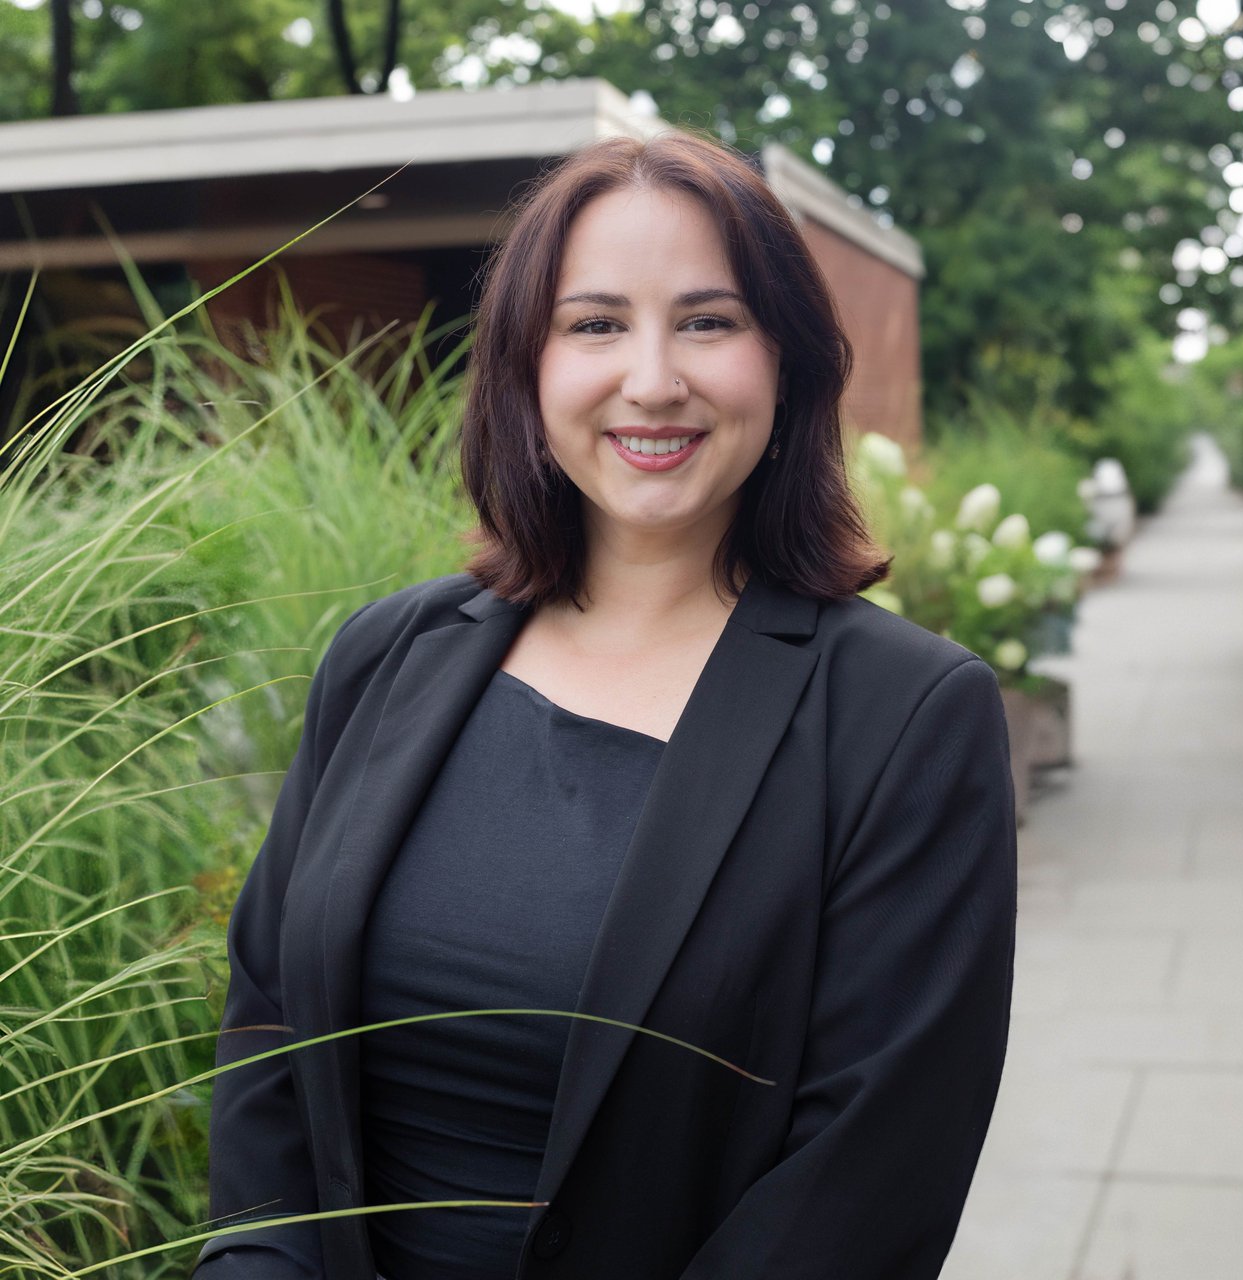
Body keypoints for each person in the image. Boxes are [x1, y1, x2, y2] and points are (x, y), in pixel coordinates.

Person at [196, 130, 1016, 1280]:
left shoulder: (905, 717)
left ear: (785, 364)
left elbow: (869, 1175)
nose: (651, 377)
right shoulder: (390, 655)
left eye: (706, 319)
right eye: (594, 323)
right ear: (526, 369)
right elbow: (271, 1021)